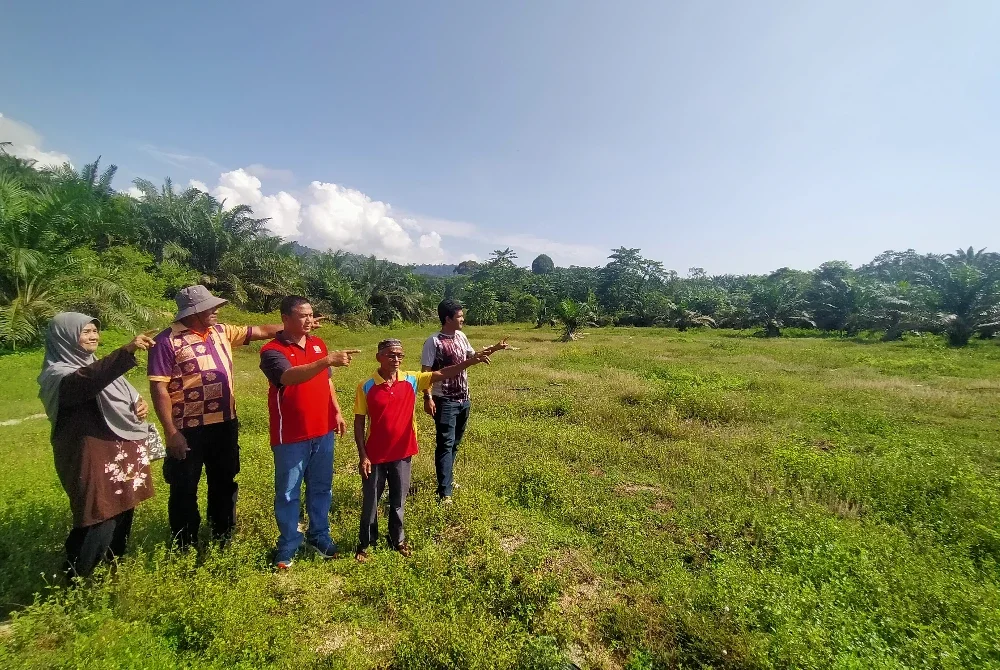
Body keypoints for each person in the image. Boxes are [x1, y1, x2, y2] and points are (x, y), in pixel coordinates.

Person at [147, 284, 285, 548]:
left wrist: (294, 326)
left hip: (224, 423)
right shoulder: (167, 341)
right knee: (184, 486)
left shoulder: (220, 331)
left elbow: (259, 331)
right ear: (193, 312)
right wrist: (171, 432)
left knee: (224, 481)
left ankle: (223, 535)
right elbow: (158, 389)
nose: (216, 311)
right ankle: (184, 542)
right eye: (210, 307)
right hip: (187, 428)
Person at [37, 313, 157, 579]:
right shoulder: (58, 375)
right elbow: (87, 382)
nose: (93, 336)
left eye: (95, 331)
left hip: (120, 448)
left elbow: (125, 394)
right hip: (92, 453)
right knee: (98, 513)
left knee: (125, 506)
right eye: (85, 332)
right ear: (65, 337)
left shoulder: (95, 365)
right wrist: (126, 351)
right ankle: (77, 579)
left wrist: (140, 404)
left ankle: (113, 568)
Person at [353, 338, 492, 562]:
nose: (396, 359)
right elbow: (359, 422)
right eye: (391, 355)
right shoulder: (366, 386)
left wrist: (470, 362)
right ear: (379, 357)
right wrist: (363, 456)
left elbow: (443, 373)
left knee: (398, 501)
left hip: (402, 453)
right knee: (371, 501)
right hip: (375, 455)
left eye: (400, 355)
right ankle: (366, 543)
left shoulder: (412, 379)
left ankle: (397, 540)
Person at [259, 295, 361, 569]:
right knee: (288, 492)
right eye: (302, 315)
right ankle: (288, 544)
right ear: (285, 318)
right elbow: (288, 377)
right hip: (291, 436)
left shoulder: (318, 344)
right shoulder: (272, 351)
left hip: (323, 431)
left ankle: (319, 535)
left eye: (310, 315)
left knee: (321, 488)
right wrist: (326, 360)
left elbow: (326, 382)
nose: (309, 320)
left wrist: (336, 411)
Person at [421, 299, 510, 502]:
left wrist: (495, 348)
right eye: (459, 316)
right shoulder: (433, 342)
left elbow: (473, 356)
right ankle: (445, 493)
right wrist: (427, 397)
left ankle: (447, 480)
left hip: (464, 399)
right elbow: (425, 373)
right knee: (445, 444)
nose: (463, 319)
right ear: (447, 319)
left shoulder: (461, 336)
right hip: (444, 400)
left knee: (454, 443)